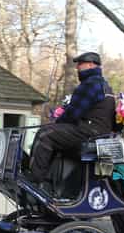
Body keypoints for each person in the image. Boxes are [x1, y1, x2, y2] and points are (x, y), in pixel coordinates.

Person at [27, 51, 115, 182]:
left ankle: (34, 179)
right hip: (99, 132)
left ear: (91, 65)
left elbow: (73, 113)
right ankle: (52, 180)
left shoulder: (90, 84)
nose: (77, 67)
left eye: (80, 64)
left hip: (89, 132)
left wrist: (57, 123)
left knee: (45, 134)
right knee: (54, 134)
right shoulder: (104, 85)